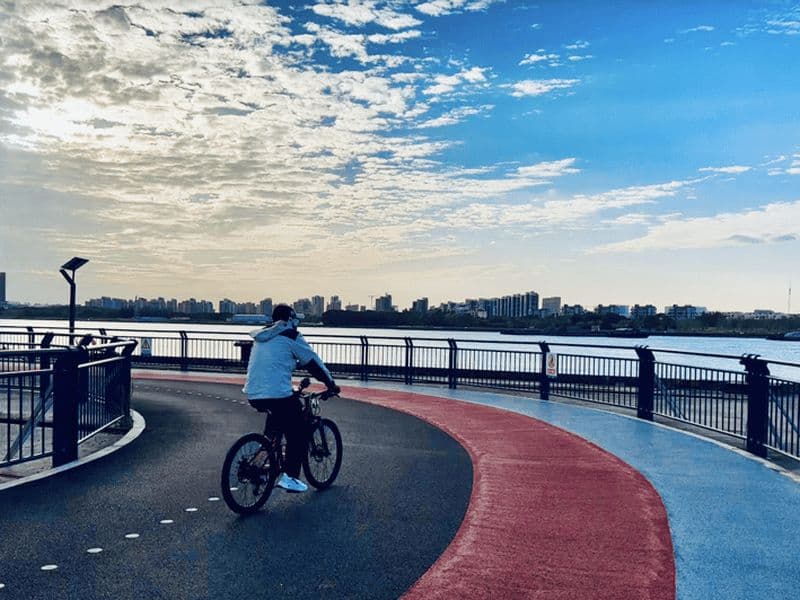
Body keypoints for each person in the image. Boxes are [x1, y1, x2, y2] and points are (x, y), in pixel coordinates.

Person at [242, 304, 340, 493]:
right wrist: (331, 384)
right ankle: (291, 477)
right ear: (289, 320)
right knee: (299, 432)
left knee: (276, 425)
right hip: (277, 394)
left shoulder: (262, 336)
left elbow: (276, 362)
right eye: (294, 321)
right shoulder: (292, 336)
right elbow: (313, 364)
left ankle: (263, 461)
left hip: (254, 393)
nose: (296, 325)